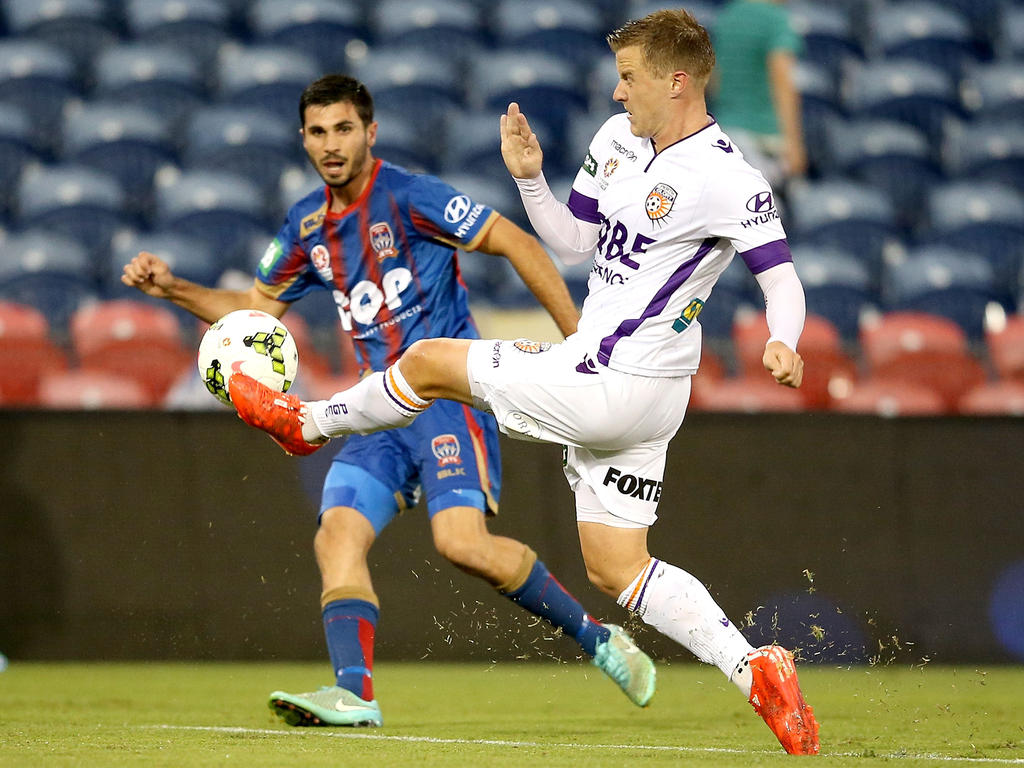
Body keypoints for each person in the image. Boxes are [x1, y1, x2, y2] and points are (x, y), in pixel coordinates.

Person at [229, 10, 821, 754]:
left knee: (428, 361)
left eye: (629, 77)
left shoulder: (728, 178)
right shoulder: (617, 142)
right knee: (618, 567)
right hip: (650, 399)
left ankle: (304, 423)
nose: (615, 92)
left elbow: (782, 280)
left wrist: (782, 339)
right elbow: (573, 244)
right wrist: (532, 179)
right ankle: (755, 669)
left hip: (613, 377)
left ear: (677, 82)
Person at [122, 75, 658, 728]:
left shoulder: (410, 196)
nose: (331, 144)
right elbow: (254, 311)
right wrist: (173, 287)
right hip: (379, 409)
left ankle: (598, 639)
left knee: (461, 544)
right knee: (336, 535)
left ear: (370, 133)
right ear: (303, 140)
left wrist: (578, 342)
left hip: (447, 397)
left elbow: (514, 241)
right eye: (318, 132)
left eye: (343, 129)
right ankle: (356, 694)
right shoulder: (308, 225)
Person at [711, 0, 807, 188]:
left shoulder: (727, 17)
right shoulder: (776, 20)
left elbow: (714, 80)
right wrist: (794, 143)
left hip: (725, 133)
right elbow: (782, 80)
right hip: (763, 139)